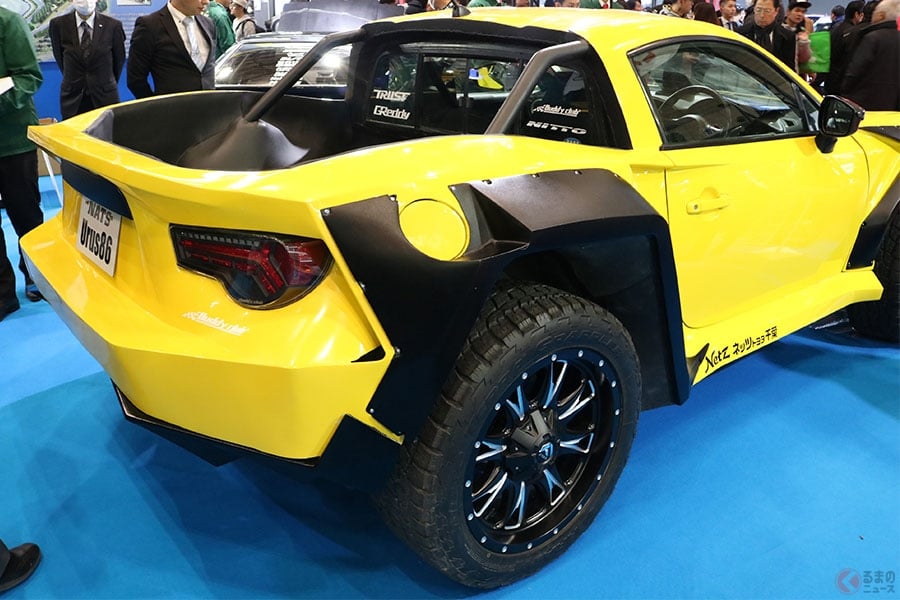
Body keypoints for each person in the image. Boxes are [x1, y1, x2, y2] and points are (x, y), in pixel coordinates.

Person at [0, 5, 44, 321]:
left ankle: (35, 275)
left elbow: (29, 77)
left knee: (25, 213)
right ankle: (3, 293)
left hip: (13, 140)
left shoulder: (8, 23)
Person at [48, 0, 126, 120]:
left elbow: (118, 60)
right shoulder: (58, 25)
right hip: (73, 99)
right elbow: (60, 57)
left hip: (105, 97)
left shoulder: (113, 25)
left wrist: (104, 82)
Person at [127, 0, 218, 99]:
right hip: (171, 107)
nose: (206, 2)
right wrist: (156, 105)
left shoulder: (208, 24)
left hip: (209, 105)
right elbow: (135, 79)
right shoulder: (150, 26)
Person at [841, 0, 900, 109]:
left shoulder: (872, 38)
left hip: (865, 102)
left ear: (881, 15)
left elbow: (855, 70)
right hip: (892, 105)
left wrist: (844, 92)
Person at [738, 0, 799, 71]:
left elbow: (789, 68)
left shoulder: (787, 37)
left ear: (776, 11)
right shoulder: (741, 33)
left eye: (767, 11)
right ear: (754, 9)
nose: (762, 15)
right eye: (758, 10)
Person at [824, 0, 864, 93]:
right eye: (862, 15)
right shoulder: (852, 33)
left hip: (831, 79)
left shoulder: (836, 29)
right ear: (856, 14)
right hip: (841, 82)